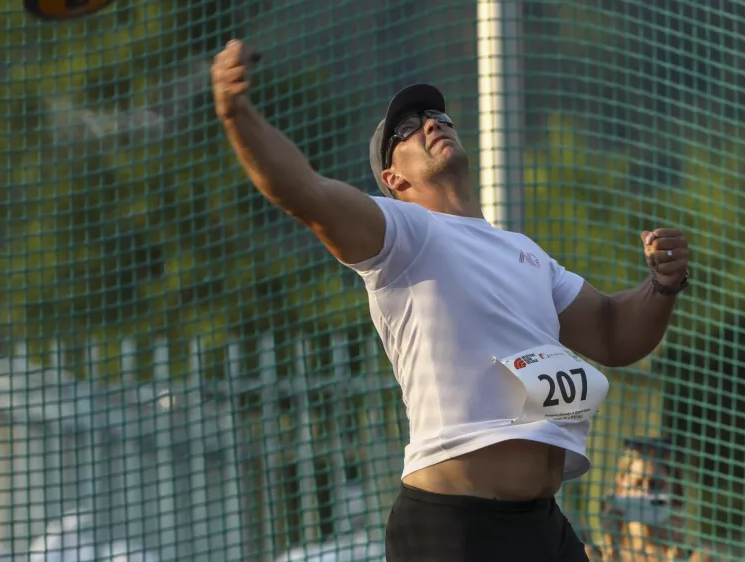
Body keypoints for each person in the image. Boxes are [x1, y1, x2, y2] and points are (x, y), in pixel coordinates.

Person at [212, 39, 691, 562]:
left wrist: (661, 285)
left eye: (435, 114)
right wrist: (236, 113)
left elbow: (612, 333)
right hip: (454, 528)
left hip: (542, 526)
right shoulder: (402, 233)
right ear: (393, 180)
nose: (429, 123)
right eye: (406, 129)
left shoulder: (525, 252)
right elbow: (302, 191)